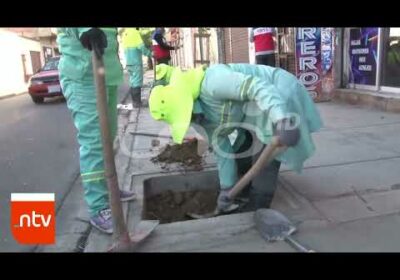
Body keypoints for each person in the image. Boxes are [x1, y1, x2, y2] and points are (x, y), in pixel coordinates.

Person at [148, 63, 322, 212]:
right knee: (243, 151)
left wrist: (282, 118)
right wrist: (227, 188)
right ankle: (243, 188)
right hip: (252, 113)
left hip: (277, 93)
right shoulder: (199, 117)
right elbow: (222, 150)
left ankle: (259, 203)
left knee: (266, 157)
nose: (191, 119)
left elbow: (258, 87)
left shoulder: (213, 83)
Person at [57, 28, 136, 234]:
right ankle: (98, 206)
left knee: (109, 137)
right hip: (84, 74)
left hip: (105, 71)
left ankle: (109, 189)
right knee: (94, 142)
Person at [120, 28, 152, 107]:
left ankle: (135, 102)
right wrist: (150, 54)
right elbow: (141, 47)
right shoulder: (134, 32)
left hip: (129, 62)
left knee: (133, 82)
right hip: (136, 62)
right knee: (137, 82)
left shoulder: (125, 33)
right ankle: (137, 103)